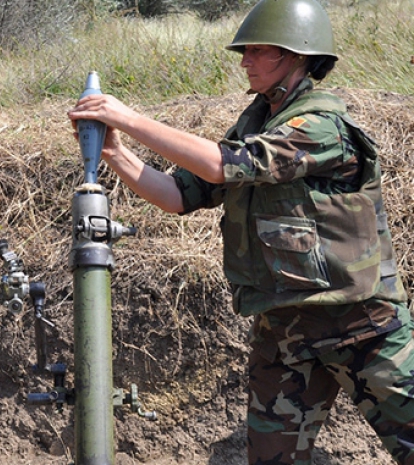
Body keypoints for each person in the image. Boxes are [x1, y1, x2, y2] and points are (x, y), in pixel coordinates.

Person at [68, 0, 414, 464]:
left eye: (258, 51)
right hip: (285, 332)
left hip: (361, 326)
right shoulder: (256, 121)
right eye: (244, 52)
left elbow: (222, 162)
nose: (245, 61)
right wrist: (115, 153)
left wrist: (128, 117)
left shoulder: (321, 124)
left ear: (296, 55)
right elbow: (178, 195)